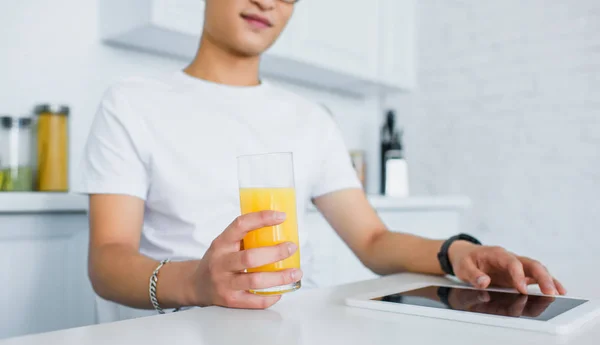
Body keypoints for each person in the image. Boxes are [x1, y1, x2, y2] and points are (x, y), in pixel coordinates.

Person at [76, 0, 565, 316]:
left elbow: (373, 239)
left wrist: (457, 253)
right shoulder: (134, 102)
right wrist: (196, 283)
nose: (267, 2)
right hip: (178, 339)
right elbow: (107, 260)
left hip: (292, 330)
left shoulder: (309, 118)